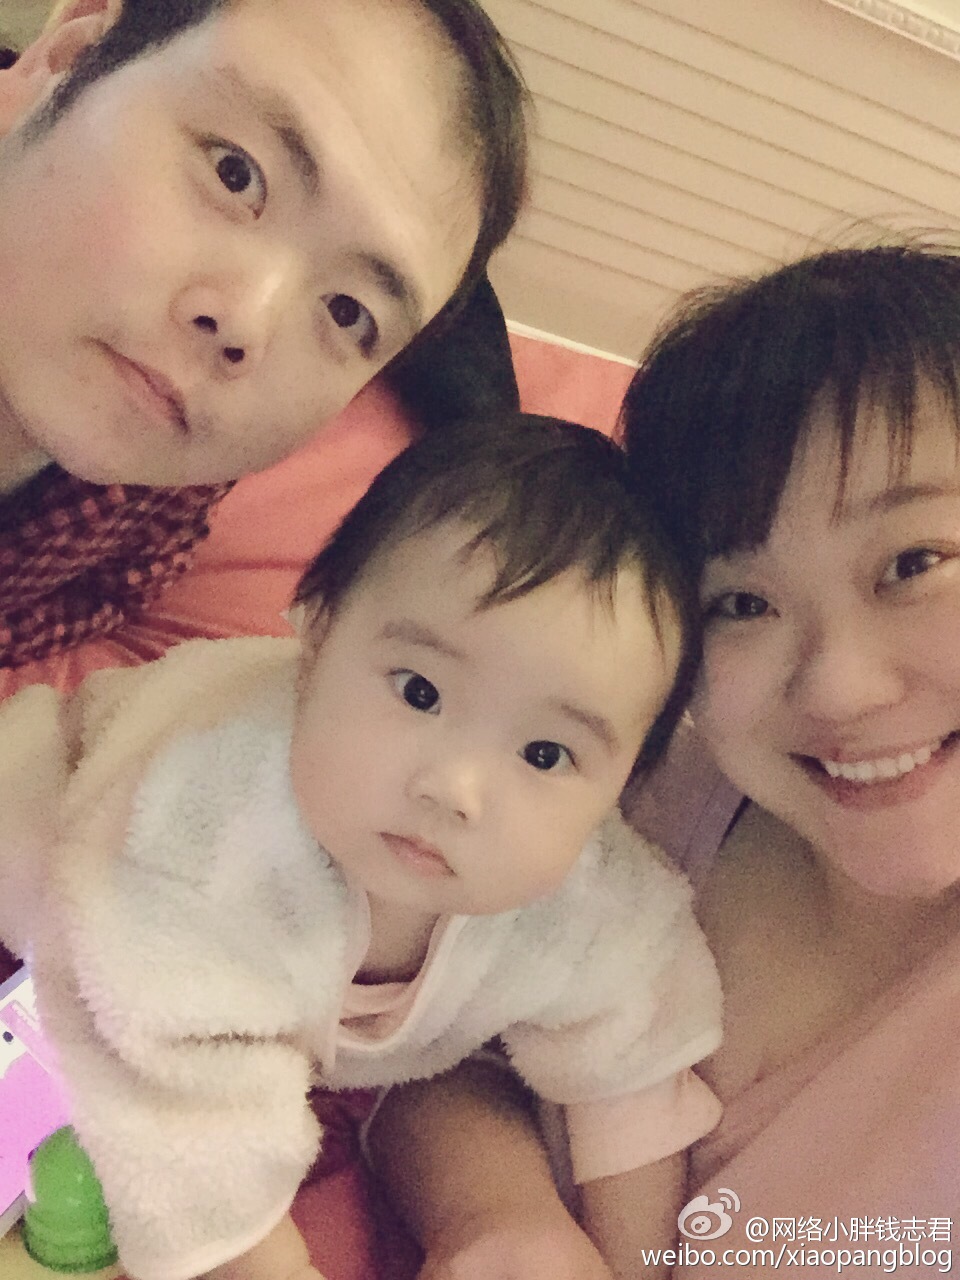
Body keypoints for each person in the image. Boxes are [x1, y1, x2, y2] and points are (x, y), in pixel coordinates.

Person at [0, 417, 722, 1280]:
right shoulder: (198, 842)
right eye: (419, 692)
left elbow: (635, 1061)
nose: (455, 789)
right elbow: (183, 1126)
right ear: (313, 633)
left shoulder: (592, 900)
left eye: (544, 754)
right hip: (64, 835)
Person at [370, 241, 960, 1279]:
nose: (837, 687)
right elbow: (436, 1050)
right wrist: (496, 1210)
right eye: (742, 602)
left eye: (914, 563)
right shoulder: (656, 803)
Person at [0, 0, 526, 670]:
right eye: (235, 174)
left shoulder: (161, 474)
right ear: (65, 60)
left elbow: (112, 588)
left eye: (347, 312)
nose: (247, 324)